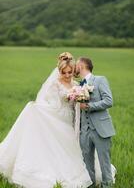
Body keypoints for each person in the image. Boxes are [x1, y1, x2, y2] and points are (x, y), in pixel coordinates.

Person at [0, 52, 92, 188]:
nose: (67, 75)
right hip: (57, 117)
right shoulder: (54, 84)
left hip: (70, 119)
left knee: (70, 145)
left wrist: (79, 97)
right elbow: (46, 100)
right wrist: (38, 107)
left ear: (73, 71)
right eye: (64, 73)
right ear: (59, 71)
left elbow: (80, 102)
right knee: (57, 145)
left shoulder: (76, 84)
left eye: (70, 72)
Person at [75, 57, 116, 188]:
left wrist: (89, 106)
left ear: (81, 66)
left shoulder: (100, 80)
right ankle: (90, 185)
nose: (75, 68)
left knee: (104, 162)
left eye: (76, 65)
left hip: (101, 129)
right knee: (87, 162)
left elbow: (109, 101)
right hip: (85, 131)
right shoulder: (79, 85)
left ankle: (107, 185)